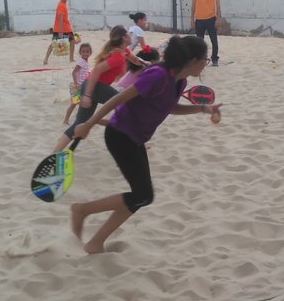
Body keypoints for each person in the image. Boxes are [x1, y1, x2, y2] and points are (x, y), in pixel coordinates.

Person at [70, 35, 221, 254]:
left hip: (134, 138)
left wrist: (201, 108)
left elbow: (170, 107)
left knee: (142, 196)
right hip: (120, 134)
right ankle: (83, 210)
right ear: (192, 60)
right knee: (142, 195)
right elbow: (118, 99)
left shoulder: (180, 81)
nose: (205, 64)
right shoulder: (158, 76)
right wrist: (89, 124)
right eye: (204, 59)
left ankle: (95, 241)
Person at [52, 25, 148, 152]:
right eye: (129, 34)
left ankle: (54, 154)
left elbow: (135, 60)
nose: (131, 36)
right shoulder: (118, 56)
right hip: (94, 87)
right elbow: (97, 70)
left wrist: (145, 63)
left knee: (80, 123)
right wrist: (87, 95)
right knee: (128, 105)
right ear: (124, 38)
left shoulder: (123, 51)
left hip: (92, 87)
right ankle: (137, 142)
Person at [191, 0, 222, 66]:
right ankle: (201, 60)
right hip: (199, 20)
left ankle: (215, 59)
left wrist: (218, 19)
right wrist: (192, 19)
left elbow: (218, 5)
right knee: (199, 43)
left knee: (214, 41)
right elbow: (193, 5)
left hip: (211, 19)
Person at [43, 0, 75, 64]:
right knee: (54, 44)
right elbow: (60, 19)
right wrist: (60, 31)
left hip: (66, 28)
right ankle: (46, 59)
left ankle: (71, 59)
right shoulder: (61, 5)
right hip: (60, 29)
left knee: (73, 41)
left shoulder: (63, 4)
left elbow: (63, 18)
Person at [64, 43, 92, 125]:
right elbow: (73, 72)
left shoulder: (85, 61)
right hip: (75, 86)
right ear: (80, 53)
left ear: (90, 53)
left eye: (87, 52)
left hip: (81, 86)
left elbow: (83, 73)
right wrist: (76, 84)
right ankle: (66, 120)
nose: (85, 53)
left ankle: (79, 119)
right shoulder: (81, 62)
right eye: (83, 52)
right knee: (74, 103)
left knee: (81, 103)